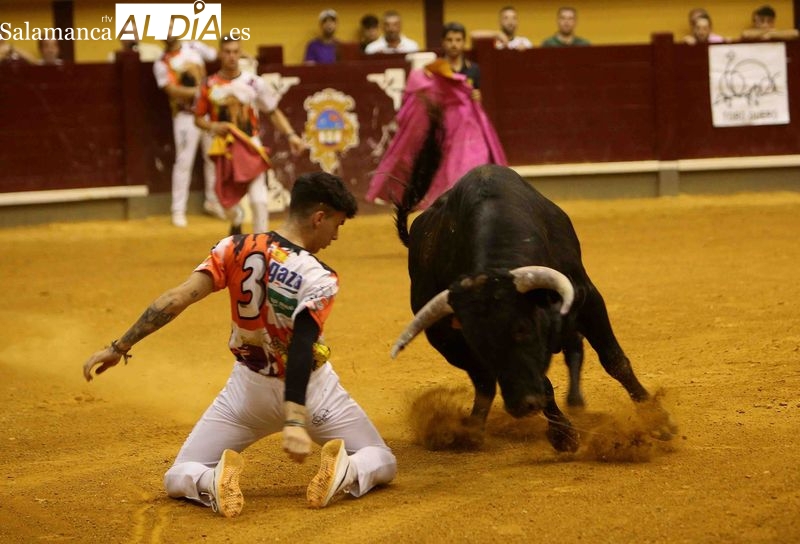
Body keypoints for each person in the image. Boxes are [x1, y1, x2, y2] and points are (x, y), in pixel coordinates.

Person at [82, 171, 397, 517]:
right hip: (314, 395)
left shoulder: (232, 248)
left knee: (178, 475)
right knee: (381, 459)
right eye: (336, 224)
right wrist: (294, 420)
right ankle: (348, 471)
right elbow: (302, 345)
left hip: (246, 395)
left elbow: (176, 299)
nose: (336, 235)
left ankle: (210, 480)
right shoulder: (318, 276)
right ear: (318, 217)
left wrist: (119, 347)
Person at [366, 22, 507, 209]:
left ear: (464, 43)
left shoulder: (474, 70)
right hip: (444, 127)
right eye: (449, 40)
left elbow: (476, 99)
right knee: (444, 168)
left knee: (473, 160)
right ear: (443, 43)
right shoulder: (434, 70)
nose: (454, 44)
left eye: (458, 40)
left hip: (467, 127)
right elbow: (425, 92)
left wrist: (476, 96)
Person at [195, 34, 306, 235]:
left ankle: (260, 246)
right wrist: (213, 127)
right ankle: (236, 218)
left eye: (235, 52)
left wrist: (291, 135)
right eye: (227, 52)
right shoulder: (209, 84)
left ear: (240, 53)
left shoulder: (253, 83)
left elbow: (272, 111)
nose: (231, 56)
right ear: (220, 53)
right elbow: (198, 118)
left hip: (249, 144)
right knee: (223, 202)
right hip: (222, 146)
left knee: (259, 200)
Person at [153, 28, 223, 227]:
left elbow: (217, 55)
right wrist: (203, 92)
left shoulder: (194, 46)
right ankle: (178, 210)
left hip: (207, 113)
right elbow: (171, 90)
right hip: (185, 116)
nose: (167, 33)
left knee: (213, 158)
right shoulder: (161, 62)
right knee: (184, 161)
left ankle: (212, 201)